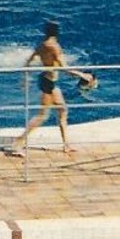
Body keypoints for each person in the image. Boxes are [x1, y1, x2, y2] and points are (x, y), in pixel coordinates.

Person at [7, 22, 98, 156]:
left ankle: (66, 145)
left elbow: (29, 61)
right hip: (48, 84)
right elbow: (64, 68)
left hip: (48, 81)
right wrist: (82, 75)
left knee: (62, 110)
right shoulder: (55, 47)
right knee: (42, 116)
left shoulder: (42, 45)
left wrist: (24, 78)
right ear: (57, 32)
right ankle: (18, 142)